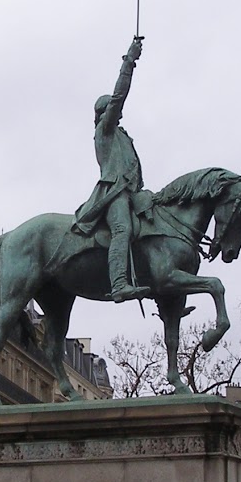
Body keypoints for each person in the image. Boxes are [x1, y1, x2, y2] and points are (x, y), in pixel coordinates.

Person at [73, 36, 151, 301]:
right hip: (114, 192)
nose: (118, 113)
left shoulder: (121, 134)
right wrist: (130, 60)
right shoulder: (104, 131)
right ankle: (119, 284)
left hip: (131, 191)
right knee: (123, 230)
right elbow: (120, 95)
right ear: (105, 112)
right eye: (112, 110)